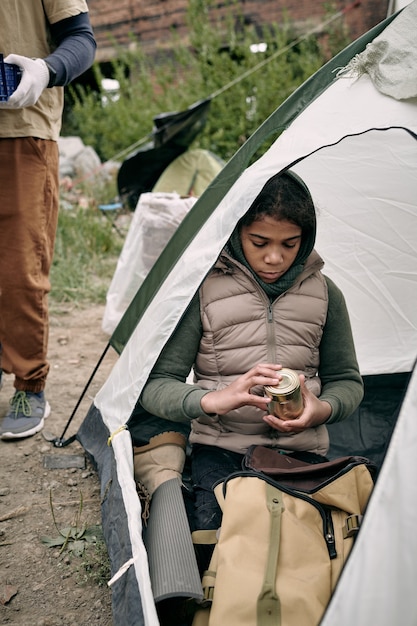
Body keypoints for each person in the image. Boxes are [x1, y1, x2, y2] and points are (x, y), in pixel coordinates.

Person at [138, 170, 364, 573]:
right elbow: (156, 387)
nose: (274, 257)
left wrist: (321, 410)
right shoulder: (204, 291)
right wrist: (212, 400)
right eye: (259, 242)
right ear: (237, 232)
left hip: (305, 455)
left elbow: (348, 382)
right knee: (220, 549)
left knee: (311, 556)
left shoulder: (327, 295)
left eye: (289, 244)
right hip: (223, 452)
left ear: (305, 240)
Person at [0, 1, 96, 440]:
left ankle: (28, 384)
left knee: (20, 270)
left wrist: (45, 69)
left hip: (22, 131)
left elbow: (81, 39)